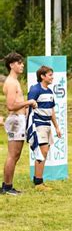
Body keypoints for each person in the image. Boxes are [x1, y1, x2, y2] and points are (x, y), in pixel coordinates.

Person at [2, 53, 37, 195]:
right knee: (13, 154)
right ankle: (6, 187)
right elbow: (11, 105)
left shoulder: (14, 81)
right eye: (19, 63)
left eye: (22, 63)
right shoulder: (11, 82)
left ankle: (8, 186)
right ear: (11, 65)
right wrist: (28, 102)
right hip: (16, 120)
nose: (22, 65)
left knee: (15, 155)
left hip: (19, 119)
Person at [27, 66, 62, 191]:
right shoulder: (35, 89)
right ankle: (38, 183)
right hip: (38, 124)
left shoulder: (49, 92)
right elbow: (28, 107)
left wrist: (56, 127)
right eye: (50, 75)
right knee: (42, 152)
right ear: (42, 76)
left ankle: (38, 179)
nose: (52, 77)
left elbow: (51, 111)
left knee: (45, 152)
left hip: (47, 125)